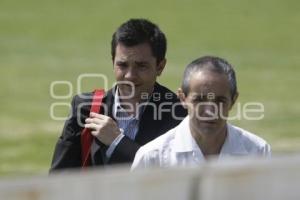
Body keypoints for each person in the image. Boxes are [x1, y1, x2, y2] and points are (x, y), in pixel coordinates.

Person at [50, 19, 187, 171]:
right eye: (122, 65)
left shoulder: (178, 112)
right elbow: (60, 177)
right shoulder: (85, 107)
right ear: (112, 62)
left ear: (160, 66)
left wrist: (118, 141)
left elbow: (169, 176)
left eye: (141, 66)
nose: (130, 76)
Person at [131, 56, 271, 169]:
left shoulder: (258, 152)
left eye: (219, 101)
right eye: (199, 100)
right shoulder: (152, 158)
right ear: (182, 98)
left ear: (233, 100)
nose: (210, 111)